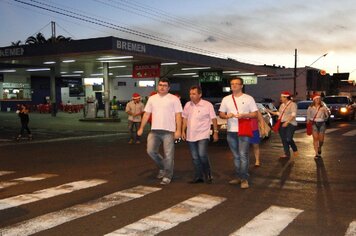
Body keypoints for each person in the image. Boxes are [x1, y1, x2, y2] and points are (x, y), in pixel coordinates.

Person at [137, 78, 182, 185]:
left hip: (169, 131)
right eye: (160, 85)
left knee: (169, 155)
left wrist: (178, 130)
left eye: (165, 85)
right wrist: (141, 128)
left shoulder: (174, 99)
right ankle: (163, 167)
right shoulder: (152, 99)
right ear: (158, 86)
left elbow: (178, 115)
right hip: (154, 131)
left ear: (169, 87)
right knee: (151, 151)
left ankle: (167, 175)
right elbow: (147, 114)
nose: (162, 87)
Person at [219, 77, 258, 189]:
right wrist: (226, 116)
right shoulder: (226, 99)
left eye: (236, 84)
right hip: (231, 131)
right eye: (232, 84)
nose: (234, 86)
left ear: (241, 86)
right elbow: (221, 113)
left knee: (243, 155)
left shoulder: (249, 98)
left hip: (244, 130)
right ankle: (238, 176)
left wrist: (244, 115)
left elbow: (255, 114)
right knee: (236, 156)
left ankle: (244, 179)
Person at [182, 86, 218, 184]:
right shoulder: (187, 105)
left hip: (203, 134)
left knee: (202, 155)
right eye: (190, 94)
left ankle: (208, 174)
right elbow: (184, 118)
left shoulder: (207, 105)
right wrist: (183, 131)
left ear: (200, 94)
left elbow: (214, 118)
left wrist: (215, 132)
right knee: (195, 157)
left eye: (194, 94)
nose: (191, 96)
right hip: (190, 135)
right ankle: (199, 176)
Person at [267, 91, 298, 159]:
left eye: (282, 97)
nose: (280, 98)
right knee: (283, 139)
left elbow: (293, 114)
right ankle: (286, 153)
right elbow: (279, 114)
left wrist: (287, 122)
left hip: (291, 123)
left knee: (288, 139)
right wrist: (269, 111)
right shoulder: (282, 105)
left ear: (286, 97)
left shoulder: (293, 104)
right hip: (282, 123)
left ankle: (295, 149)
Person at [307, 94, 329, 159]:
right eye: (316, 99)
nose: (318, 100)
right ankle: (316, 154)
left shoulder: (323, 107)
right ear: (314, 100)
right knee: (315, 138)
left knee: (321, 140)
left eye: (319, 99)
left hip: (322, 123)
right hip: (313, 123)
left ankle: (320, 147)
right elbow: (308, 116)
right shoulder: (310, 107)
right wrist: (308, 122)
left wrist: (325, 115)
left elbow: (327, 115)